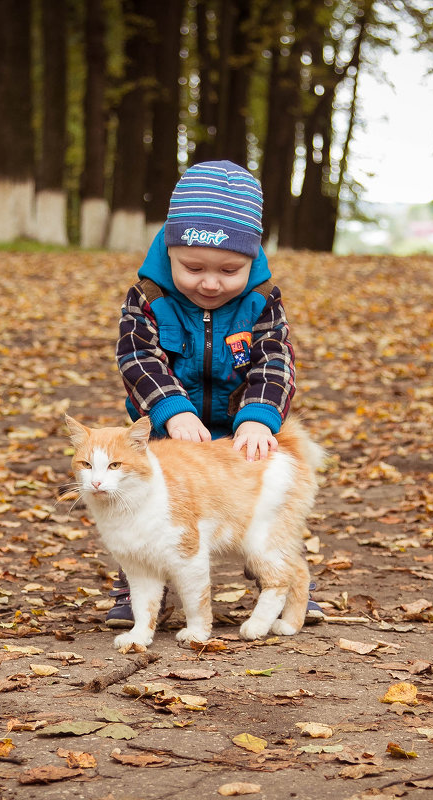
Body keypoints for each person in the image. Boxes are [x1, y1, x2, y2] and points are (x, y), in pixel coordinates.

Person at [107, 159, 323, 629]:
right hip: (169, 434)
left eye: (229, 269)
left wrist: (260, 415)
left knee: (255, 508)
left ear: (253, 258)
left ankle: (277, 572)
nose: (210, 282)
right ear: (170, 251)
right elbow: (137, 358)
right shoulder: (148, 297)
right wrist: (171, 409)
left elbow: (275, 360)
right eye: (193, 267)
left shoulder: (261, 301)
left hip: (237, 428)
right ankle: (138, 583)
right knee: (149, 507)